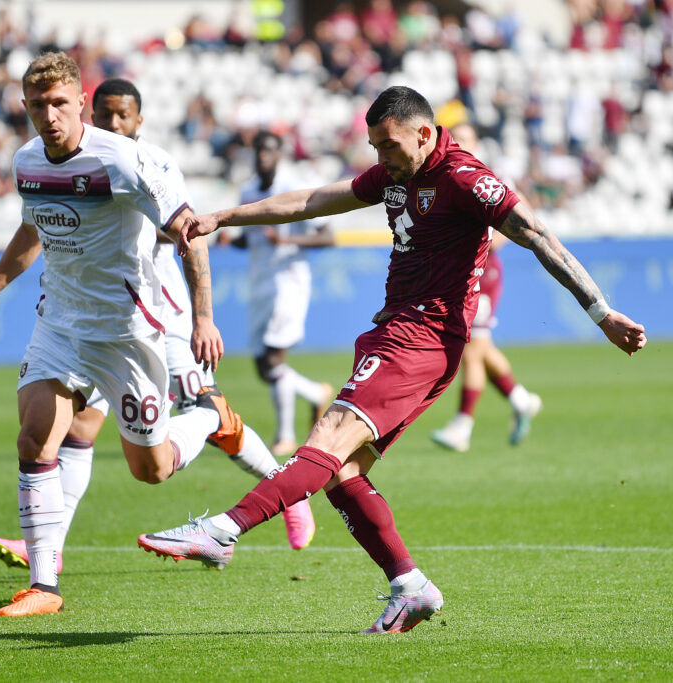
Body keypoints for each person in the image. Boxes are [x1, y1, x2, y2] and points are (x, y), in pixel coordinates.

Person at [136, 86, 646, 634]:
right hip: (402, 334)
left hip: (420, 338)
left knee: (328, 435)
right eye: (374, 145)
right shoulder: (396, 174)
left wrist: (601, 312)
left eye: (389, 144)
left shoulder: (466, 177)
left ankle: (223, 531)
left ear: (424, 133)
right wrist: (225, 217)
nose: (380, 158)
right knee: (343, 472)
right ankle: (410, 586)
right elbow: (312, 201)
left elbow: (539, 237)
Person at [0, 52, 232, 617]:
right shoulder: (27, 161)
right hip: (60, 323)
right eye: (36, 106)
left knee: (151, 470)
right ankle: (44, 586)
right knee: (34, 439)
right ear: (24, 108)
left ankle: (208, 416)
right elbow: (33, 226)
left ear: (81, 104)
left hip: (125, 334)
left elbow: (190, 234)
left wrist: (202, 317)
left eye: (58, 104)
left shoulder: (124, 162)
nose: (48, 116)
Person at [0, 78, 316, 574]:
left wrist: (203, 317)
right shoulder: (71, 160)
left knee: (195, 423)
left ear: (140, 120)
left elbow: (184, 230)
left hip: (164, 317)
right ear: (90, 113)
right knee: (78, 428)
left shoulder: (149, 165)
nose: (114, 123)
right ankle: (45, 547)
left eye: (124, 115)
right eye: (106, 114)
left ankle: (288, 491)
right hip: (93, 322)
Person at [430, 122, 542, 452]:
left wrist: (497, 238)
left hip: (483, 274)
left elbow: (524, 210)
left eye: (466, 139)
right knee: (478, 346)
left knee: (472, 348)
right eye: (456, 139)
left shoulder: (484, 177)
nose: (459, 144)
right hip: (460, 274)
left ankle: (462, 424)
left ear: (476, 143)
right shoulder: (447, 176)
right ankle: (521, 399)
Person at [225, 130, 336, 456]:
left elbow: (328, 237)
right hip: (259, 281)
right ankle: (315, 393)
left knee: (275, 356)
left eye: (270, 151)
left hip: (289, 281)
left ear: (279, 154)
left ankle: (285, 435)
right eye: (259, 151)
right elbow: (251, 238)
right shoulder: (248, 191)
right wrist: (230, 240)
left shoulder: (293, 188)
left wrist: (288, 241)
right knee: (263, 366)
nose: (263, 157)